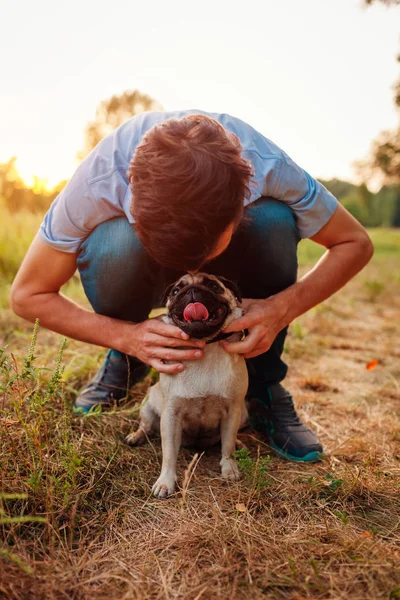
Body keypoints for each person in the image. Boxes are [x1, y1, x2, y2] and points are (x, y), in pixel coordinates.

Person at [10, 110, 373, 463]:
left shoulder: (267, 166)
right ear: (132, 200)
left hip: (239, 272)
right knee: (111, 243)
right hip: (134, 271)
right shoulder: (97, 181)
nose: (192, 269)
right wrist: (124, 336)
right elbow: (27, 295)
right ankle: (129, 359)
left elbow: (355, 242)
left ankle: (261, 381)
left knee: (273, 221)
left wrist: (282, 308)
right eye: (181, 259)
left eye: (203, 255)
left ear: (238, 208)